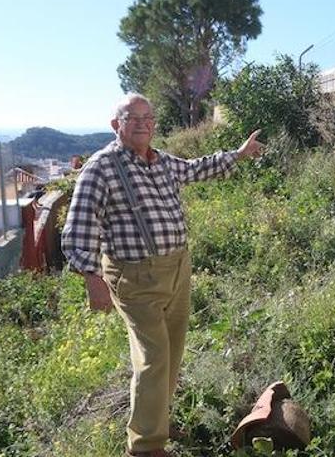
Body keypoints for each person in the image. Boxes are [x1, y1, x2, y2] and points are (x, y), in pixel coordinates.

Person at [61, 93, 265, 457]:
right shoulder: (101, 167)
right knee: (153, 357)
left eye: (148, 117)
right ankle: (145, 448)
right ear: (116, 125)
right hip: (135, 277)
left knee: (171, 353)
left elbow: (195, 168)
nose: (142, 123)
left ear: (154, 123)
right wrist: (92, 279)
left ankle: (156, 420)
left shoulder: (160, 161)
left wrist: (237, 154)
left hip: (177, 270)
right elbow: (78, 228)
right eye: (132, 117)